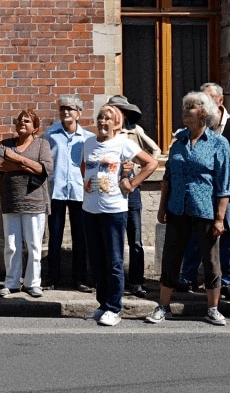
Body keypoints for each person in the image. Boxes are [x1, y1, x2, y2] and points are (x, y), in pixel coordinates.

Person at [145, 91, 230, 326]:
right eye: (184, 107)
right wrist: (162, 208)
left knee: (211, 260)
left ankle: (213, 309)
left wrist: (219, 218)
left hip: (205, 210)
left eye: (190, 107)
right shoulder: (179, 141)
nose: (185, 111)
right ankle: (163, 307)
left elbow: (224, 184)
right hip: (177, 208)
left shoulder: (218, 143)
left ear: (204, 112)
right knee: (171, 258)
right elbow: (169, 178)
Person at [82, 103, 157, 326]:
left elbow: (151, 163)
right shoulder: (88, 142)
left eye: (107, 118)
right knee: (96, 260)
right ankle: (103, 303)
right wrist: (90, 186)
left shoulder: (123, 143)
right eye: (100, 118)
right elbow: (83, 166)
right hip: (90, 209)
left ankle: (114, 308)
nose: (102, 122)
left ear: (117, 124)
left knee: (114, 261)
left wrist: (131, 183)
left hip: (113, 209)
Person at [178, 83, 230, 296]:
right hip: (201, 190)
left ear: (220, 101)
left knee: (226, 232)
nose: (203, 104)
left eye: (207, 99)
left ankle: (228, 280)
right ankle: (188, 276)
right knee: (194, 234)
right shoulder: (196, 126)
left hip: (227, 190)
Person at [0, 109, 54, 298]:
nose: (22, 123)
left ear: (35, 128)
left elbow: (44, 169)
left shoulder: (42, 144)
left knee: (34, 245)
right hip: (11, 201)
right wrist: (27, 166)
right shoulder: (5, 144)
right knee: (11, 245)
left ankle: (33, 283)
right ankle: (11, 282)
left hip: (35, 202)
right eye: (19, 120)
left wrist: (17, 158)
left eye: (27, 121)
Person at [108, 94, 157, 297]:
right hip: (110, 191)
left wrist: (138, 171)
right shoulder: (105, 133)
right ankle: (115, 280)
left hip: (131, 191)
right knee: (113, 238)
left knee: (134, 239)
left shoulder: (134, 131)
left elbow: (155, 150)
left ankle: (137, 281)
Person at [42, 95, 92, 291]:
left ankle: (79, 278)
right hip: (57, 190)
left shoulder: (87, 137)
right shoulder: (50, 135)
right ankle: (53, 278)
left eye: (71, 109)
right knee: (55, 235)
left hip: (79, 191)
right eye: (63, 109)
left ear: (79, 113)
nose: (66, 112)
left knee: (80, 236)